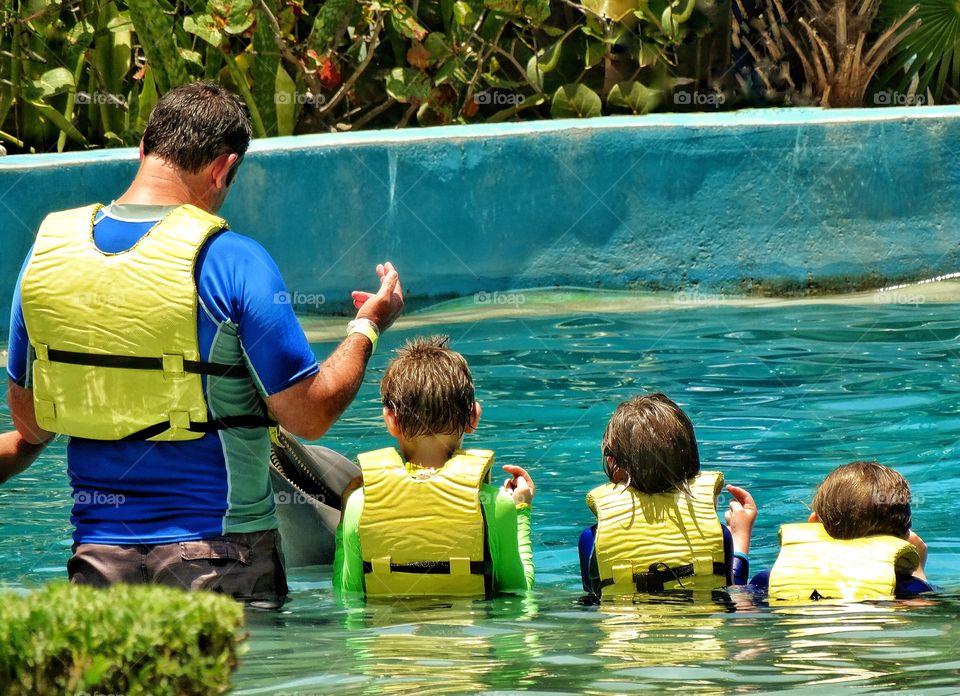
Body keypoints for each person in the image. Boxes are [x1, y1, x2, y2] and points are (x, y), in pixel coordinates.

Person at [6, 81, 404, 608]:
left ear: (143, 147)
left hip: (98, 564)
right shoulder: (232, 259)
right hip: (221, 562)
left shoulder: (47, 254)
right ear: (222, 168)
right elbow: (307, 415)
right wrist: (367, 328)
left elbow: (32, 424)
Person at [333, 336, 535, 597]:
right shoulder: (494, 506)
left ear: (390, 420)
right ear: (473, 416)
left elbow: (346, 594)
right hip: (473, 636)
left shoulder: (361, 504)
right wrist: (521, 511)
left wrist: (342, 527)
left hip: (387, 637)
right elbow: (519, 593)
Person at [579, 393, 757, 597]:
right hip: (698, 626)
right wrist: (740, 539)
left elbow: (594, 599)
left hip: (625, 626)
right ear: (690, 462)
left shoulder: (592, 540)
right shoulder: (717, 534)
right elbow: (732, 594)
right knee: (762, 581)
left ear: (614, 464)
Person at [758, 460, 932, 600]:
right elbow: (925, 610)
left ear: (814, 524)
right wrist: (917, 571)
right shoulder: (909, 589)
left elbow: (738, 603)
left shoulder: (769, 581)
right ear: (903, 539)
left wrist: (739, 541)